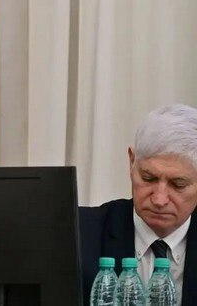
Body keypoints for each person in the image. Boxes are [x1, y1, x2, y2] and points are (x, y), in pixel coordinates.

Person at [80, 104, 197, 304]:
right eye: (148, 178)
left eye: (177, 184)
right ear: (132, 162)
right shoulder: (80, 234)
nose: (159, 199)